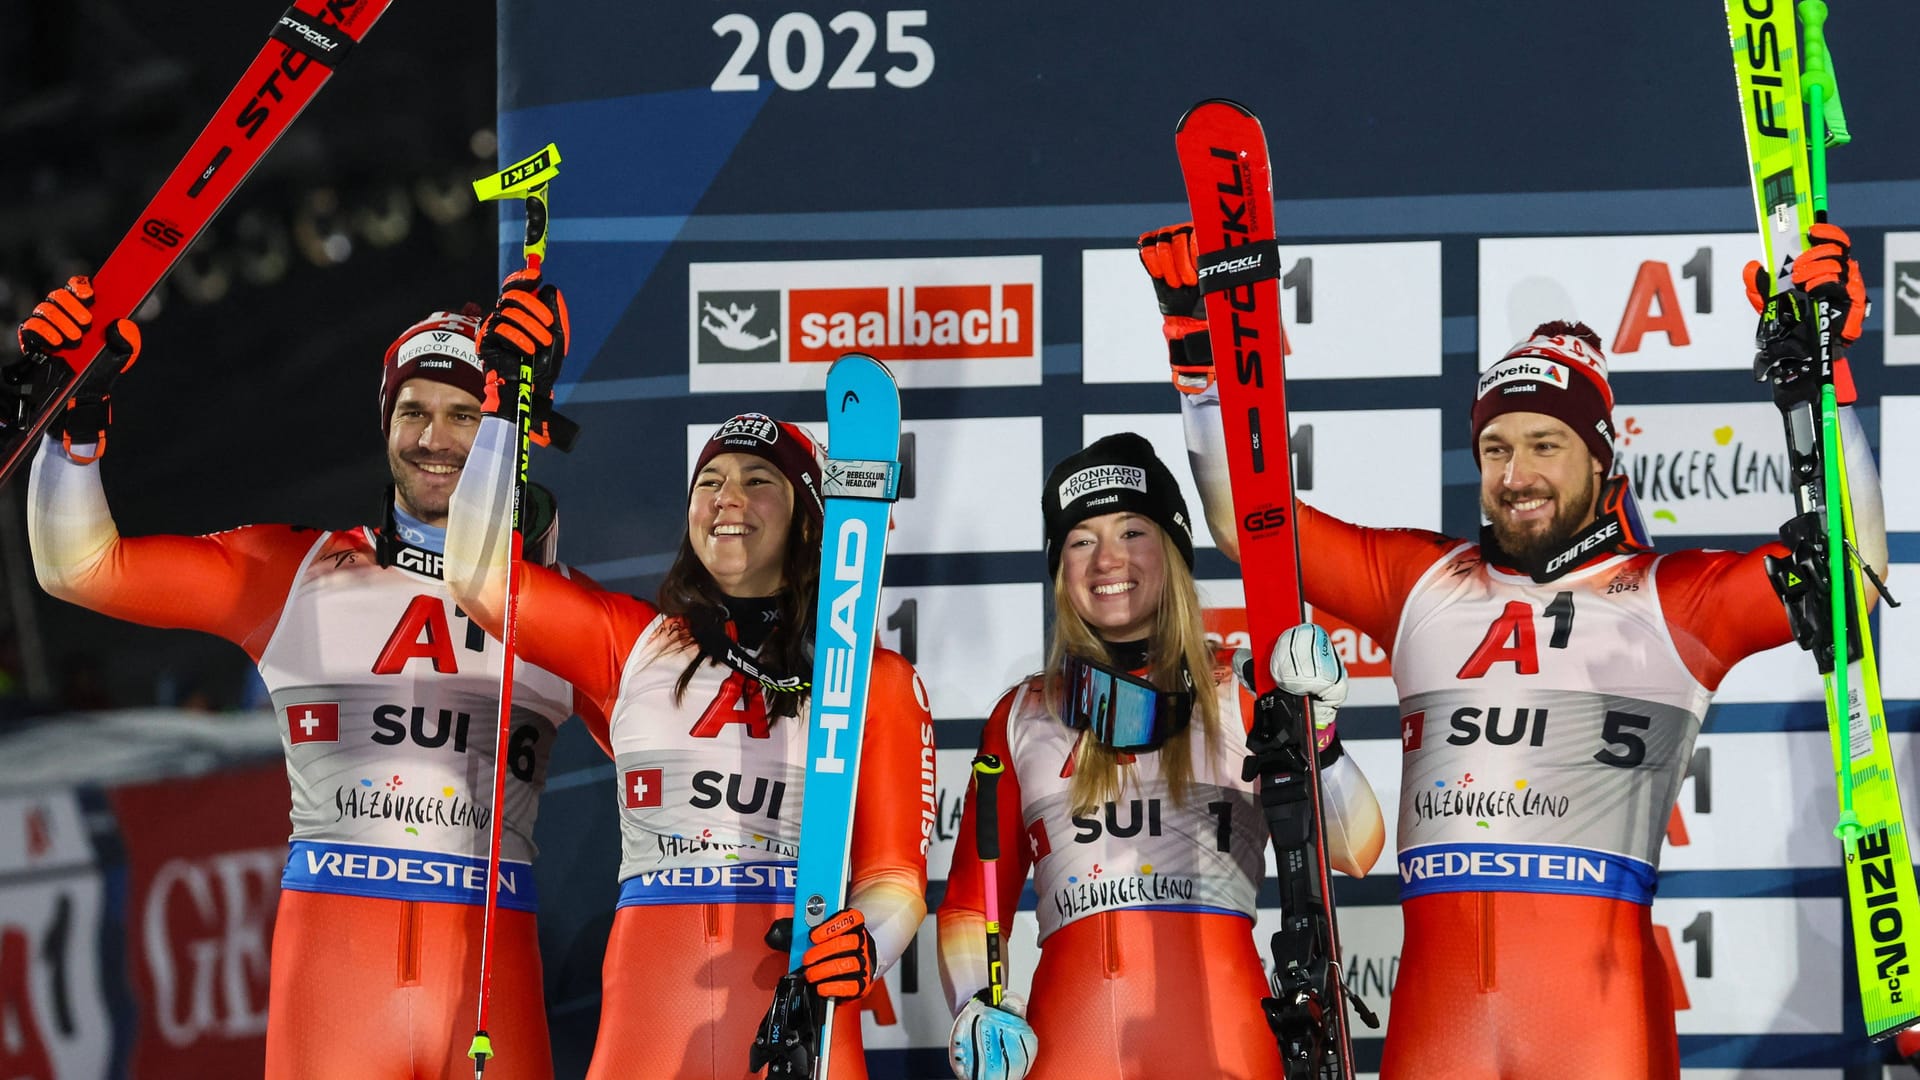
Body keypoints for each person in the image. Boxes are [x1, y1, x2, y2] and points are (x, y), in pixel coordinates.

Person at [1137, 222, 1889, 1077]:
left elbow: (1854, 578)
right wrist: (1201, 366)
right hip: (1438, 1031)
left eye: (1545, 445)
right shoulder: (1419, 580)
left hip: (1600, 1034)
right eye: (1496, 448)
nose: (1516, 473)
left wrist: (1826, 380)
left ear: (1603, 461)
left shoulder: (1676, 597)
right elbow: (1248, 522)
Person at [15, 271, 601, 1078]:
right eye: (413, 411)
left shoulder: (562, 608)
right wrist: (74, 423)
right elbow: (79, 567)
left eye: (466, 413)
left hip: (488, 979)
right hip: (336, 978)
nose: (435, 437)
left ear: (510, 425)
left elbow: (694, 745)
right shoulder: (294, 569)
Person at [441, 367, 934, 1079]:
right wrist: (502, 412)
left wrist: (867, 944)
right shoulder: (632, 644)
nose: (727, 498)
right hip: (648, 1022)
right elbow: (474, 574)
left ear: (806, 512)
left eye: (758, 479)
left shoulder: (871, 679)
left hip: (798, 1023)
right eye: (709, 482)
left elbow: (896, 878)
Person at [934, 432, 1385, 1080]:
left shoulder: (1247, 687)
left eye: (1131, 532)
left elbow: (1357, 847)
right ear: (1060, 571)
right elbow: (973, 905)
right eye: (1081, 540)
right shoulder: (1023, 714)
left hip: (1222, 1046)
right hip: (1068, 1052)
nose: (1106, 559)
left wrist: (1319, 733)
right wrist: (976, 1005)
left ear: (1172, 551)